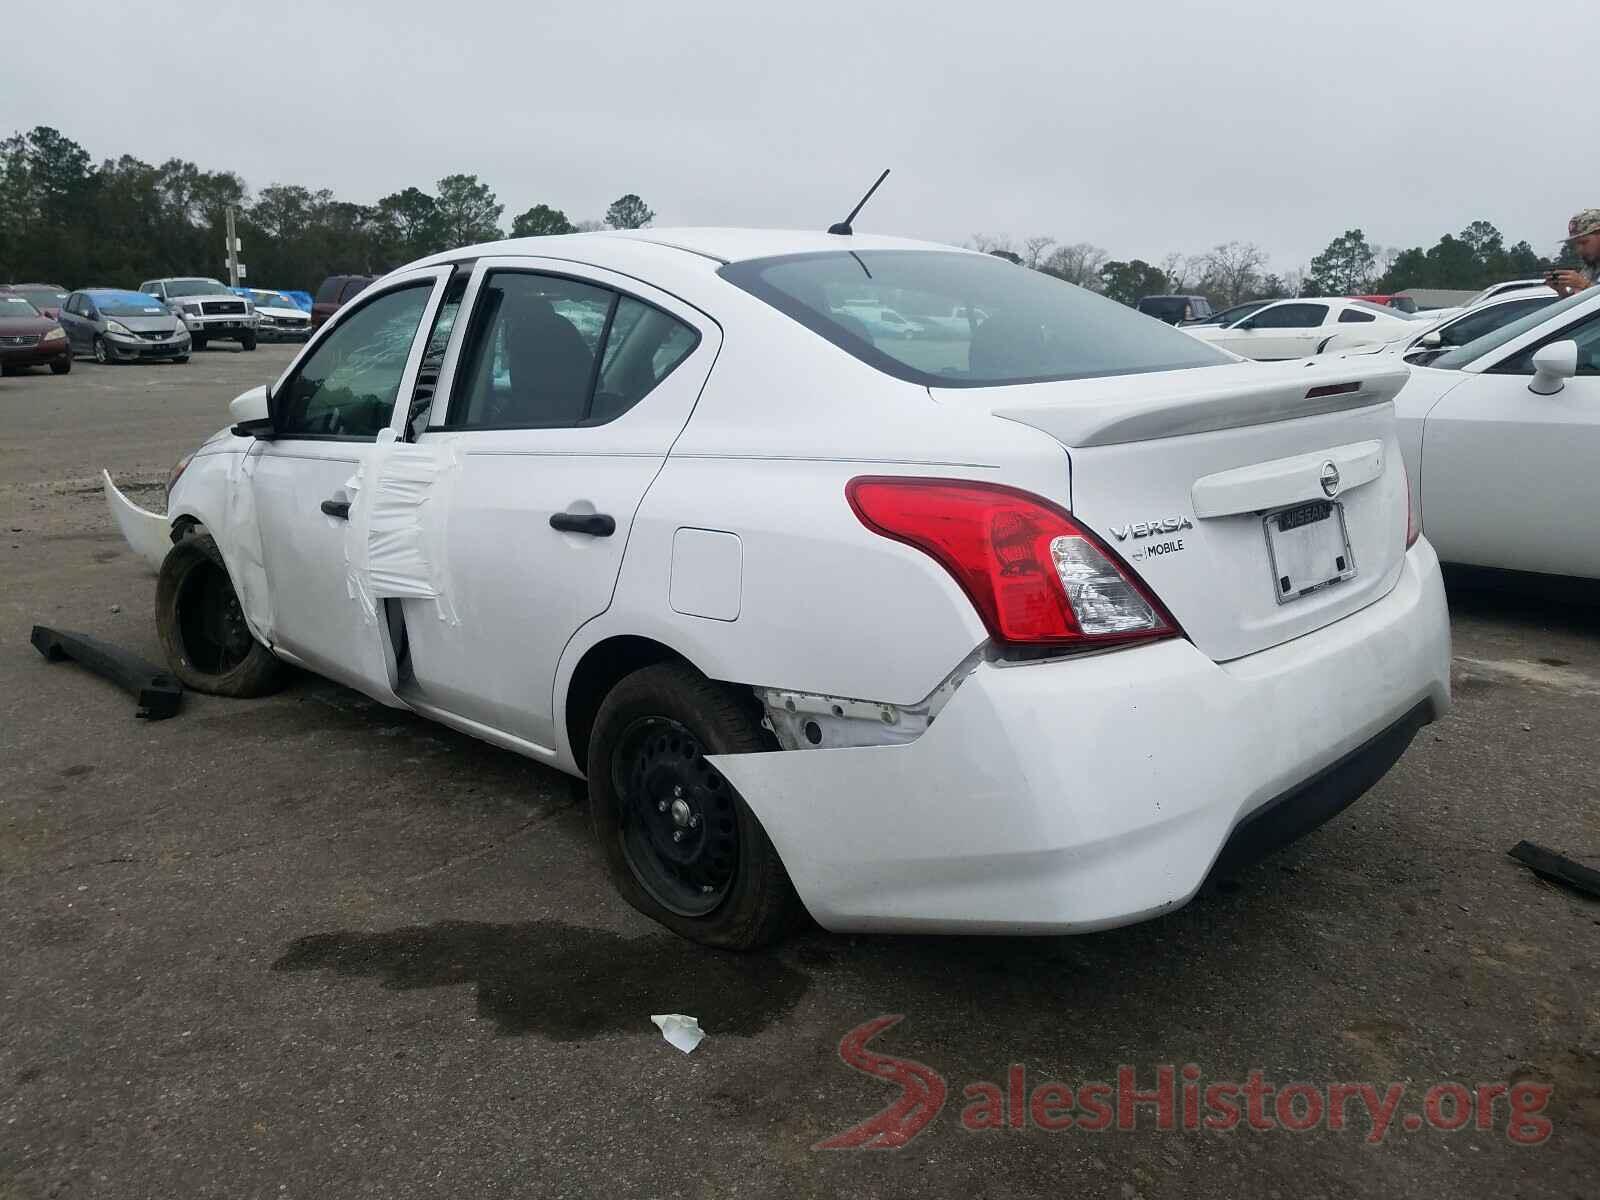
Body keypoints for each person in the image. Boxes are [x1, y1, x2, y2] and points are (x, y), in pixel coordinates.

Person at [1547, 209, 1600, 296]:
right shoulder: (1591, 268)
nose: (1579, 250)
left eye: (1583, 242)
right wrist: (1562, 292)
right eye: (1575, 244)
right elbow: (1584, 307)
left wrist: (1584, 285)